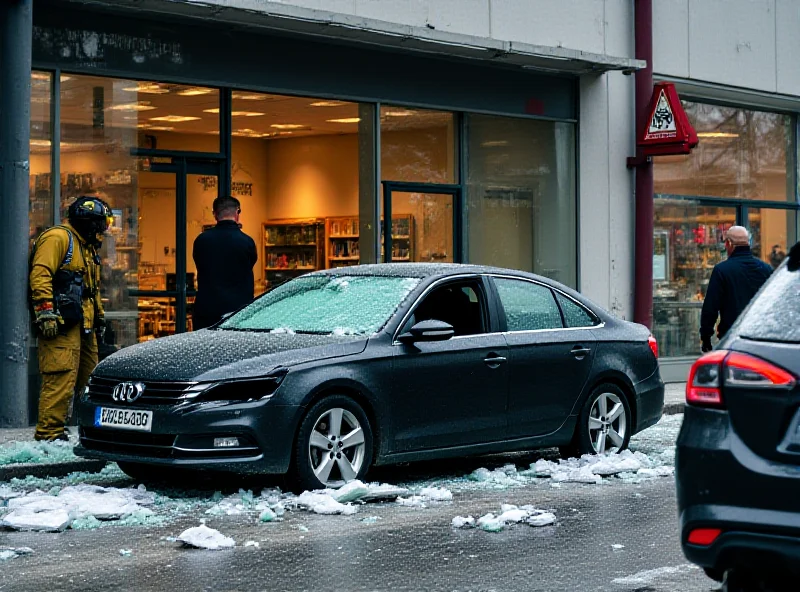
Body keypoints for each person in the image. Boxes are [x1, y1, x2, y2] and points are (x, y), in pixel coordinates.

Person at [29, 196, 112, 441]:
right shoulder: (59, 238)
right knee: (60, 376)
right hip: (61, 324)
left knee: (91, 381)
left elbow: (91, 290)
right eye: (101, 223)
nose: (103, 230)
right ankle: (49, 435)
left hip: (84, 326)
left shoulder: (86, 247)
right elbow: (41, 273)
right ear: (89, 222)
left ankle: (92, 432)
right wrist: (45, 311)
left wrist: (99, 318)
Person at [700, 226, 773, 352]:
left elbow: (711, 307)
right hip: (759, 337)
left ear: (729, 243)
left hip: (731, 338)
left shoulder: (722, 270)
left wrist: (706, 337)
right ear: (748, 243)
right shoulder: (766, 269)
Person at [192, 195, 257, 330]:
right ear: (237, 213)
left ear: (215, 214)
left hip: (207, 309)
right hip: (239, 311)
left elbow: (198, 262)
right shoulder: (247, 242)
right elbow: (251, 263)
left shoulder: (202, 241)